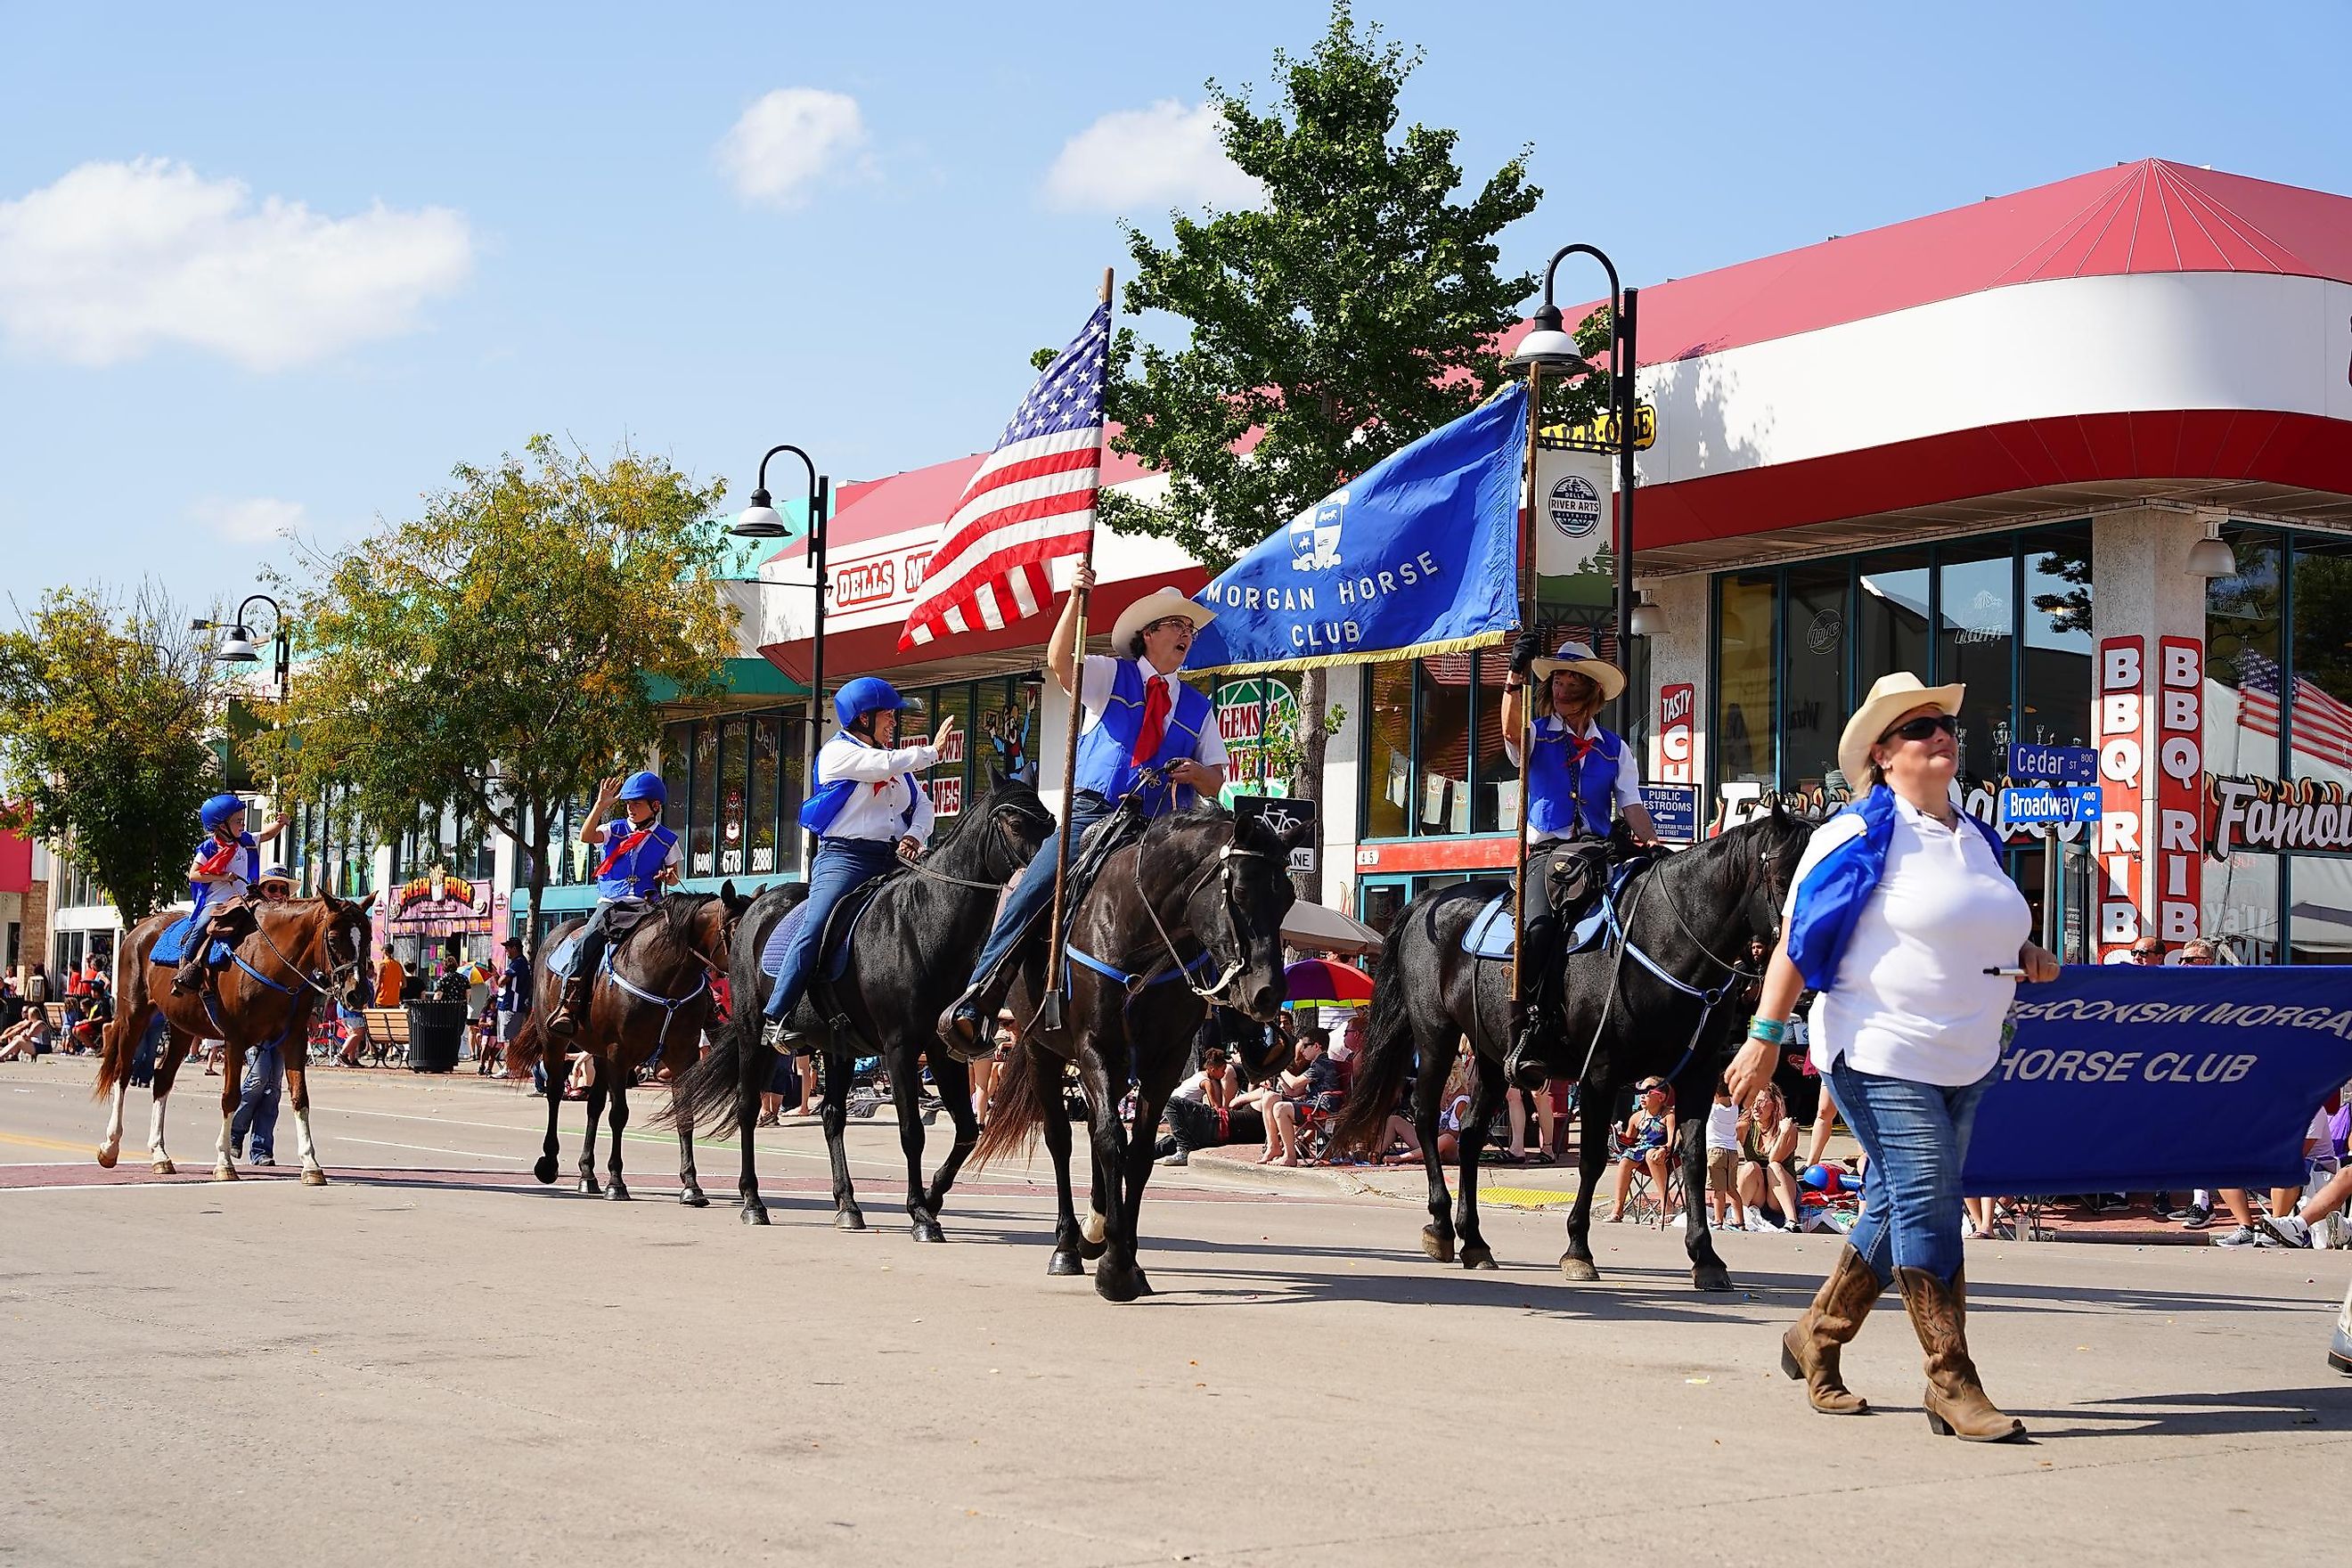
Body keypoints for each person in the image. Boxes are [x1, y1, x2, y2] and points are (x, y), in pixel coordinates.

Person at [1728, 672, 2060, 1441]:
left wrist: (2030, 949)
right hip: (1879, 1048)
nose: (1939, 736)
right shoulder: (1853, 834)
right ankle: (1951, 1380)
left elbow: (1983, 925)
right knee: (1931, 1202)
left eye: (1943, 724)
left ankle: (1816, 1335)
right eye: (1917, 729)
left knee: (1895, 1205)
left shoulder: (1977, 834)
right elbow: (1797, 943)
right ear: (1881, 755)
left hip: (1968, 1050)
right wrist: (1764, 1038)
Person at [938, 568, 1224, 1057]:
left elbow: (1216, 779)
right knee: (1034, 886)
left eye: (1190, 629)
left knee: (1220, 897)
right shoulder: (1113, 675)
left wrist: (1196, 773)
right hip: (1095, 814)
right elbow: (1059, 661)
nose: (1186, 635)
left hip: (1160, 829)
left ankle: (1239, 1021)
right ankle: (978, 998)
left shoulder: (1198, 705)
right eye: (1176, 625)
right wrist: (1076, 596)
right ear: (1148, 634)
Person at [1498, 634, 1659, 1090]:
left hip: (1597, 854)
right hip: (1546, 856)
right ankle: (1530, 1026)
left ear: (1591, 688)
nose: (1564, 684)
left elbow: (1632, 807)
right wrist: (1514, 676)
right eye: (1559, 677)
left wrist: (1654, 848)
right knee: (1539, 932)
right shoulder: (1535, 733)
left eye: (1573, 677)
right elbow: (1509, 733)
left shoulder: (1615, 748)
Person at [762, 678, 951, 1049]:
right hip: (844, 859)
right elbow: (880, 766)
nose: (894, 721)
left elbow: (924, 806)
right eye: (888, 714)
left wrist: (915, 834)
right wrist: (932, 751)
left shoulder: (888, 757)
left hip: (893, 858)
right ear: (863, 718)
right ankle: (776, 1016)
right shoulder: (839, 754)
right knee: (815, 927)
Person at [549, 772, 681, 1037]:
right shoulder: (615, 829)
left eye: (637, 803)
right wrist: (600, 805)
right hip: (611, 904)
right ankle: (567, 1004)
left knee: (679, 942)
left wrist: (669, 877)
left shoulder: (667, 839)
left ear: (655, 806)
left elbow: (675, 877)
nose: (631, 808)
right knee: (588, 941)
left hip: (648, 905)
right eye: (628, 804)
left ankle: (701, 1006)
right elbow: (586, 836)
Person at [173, 793, 291, 994]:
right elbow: (194, 875)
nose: (243, 825)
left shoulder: (244, 841)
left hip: (244, 900)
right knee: (203, 925)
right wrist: (222, 877)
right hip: (217, 903)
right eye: (238, 821)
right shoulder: (208, 848)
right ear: (221, 825)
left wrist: (281, 824)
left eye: (243, 820)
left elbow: (266, 835)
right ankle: (185, 964)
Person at [228, 865, 297, 1164]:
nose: (279, 895)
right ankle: (234, 1132)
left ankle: (261, 1150)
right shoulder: (251, 923)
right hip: (256, 1019)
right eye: (273, 888)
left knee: (274, 1088)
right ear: (261, 891)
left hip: (283, 1021)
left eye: (283, 890)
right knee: (258, 1079)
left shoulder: (293, 930)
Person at [1737, 1082, 1804, 1231]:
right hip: (1758, 1192)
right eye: (1753, 1101)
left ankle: (1792, 1222)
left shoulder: (1789, 1129)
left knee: (1773, 1166)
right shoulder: (1745, 1126)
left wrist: (1784, 1133)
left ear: (1775, 1104)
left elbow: (1774, 1158)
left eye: (1761, 1101)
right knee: (1750, 1166)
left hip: (1780, 1194)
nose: (1755, 1107)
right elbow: (1719, 1136)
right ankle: (1739, 1216)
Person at [1607, 1078, 1677, 1221]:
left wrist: (1664, 1149)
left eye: (1647, 1092)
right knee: (1625, 1160)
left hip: (1664, 1154)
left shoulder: (1668, 1115)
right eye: (1640, 1092)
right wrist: (1618, 1135)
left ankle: (1667, 1204)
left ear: (1661, 1097)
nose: (1642, 1096)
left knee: (1651, 1154)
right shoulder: (1636, 1117)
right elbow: (1629, 1139)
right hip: (1641, 1151)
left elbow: (1673, 1140)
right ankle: (1618, 1208)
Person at [1156, 1045, 1236, 1166]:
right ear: (1213, 1069)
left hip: (1171, 1107)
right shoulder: (1207, 1082)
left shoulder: (1199, 1075)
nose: (1224, 1073)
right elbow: (1215, 1106)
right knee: (1184, 1139)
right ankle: (1182, 1151)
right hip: (1180, 1110)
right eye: (1222, 1070)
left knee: (1175, 1139)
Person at [1705, 1075, 1747, 1230]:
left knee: (1718, 1189)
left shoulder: (1713, 1109)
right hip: (1732, 1151)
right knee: (1732, 1188)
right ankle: (1740, 1220)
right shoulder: (1734, 1107)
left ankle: (1718, 1220)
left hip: (1715, 1151)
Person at [493, 936, 531, 1075]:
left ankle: (509, 1067)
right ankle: (512, 1066)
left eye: (508, 948)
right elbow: (500, 981)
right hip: (507, 1005)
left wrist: (498, 977)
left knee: (510, 1039)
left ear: (515, 948)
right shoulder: (518, 963)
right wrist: (496, 976)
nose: (506, 950)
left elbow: (502, 981)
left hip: (512, 1006)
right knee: (507, 1038)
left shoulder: (518, 963)